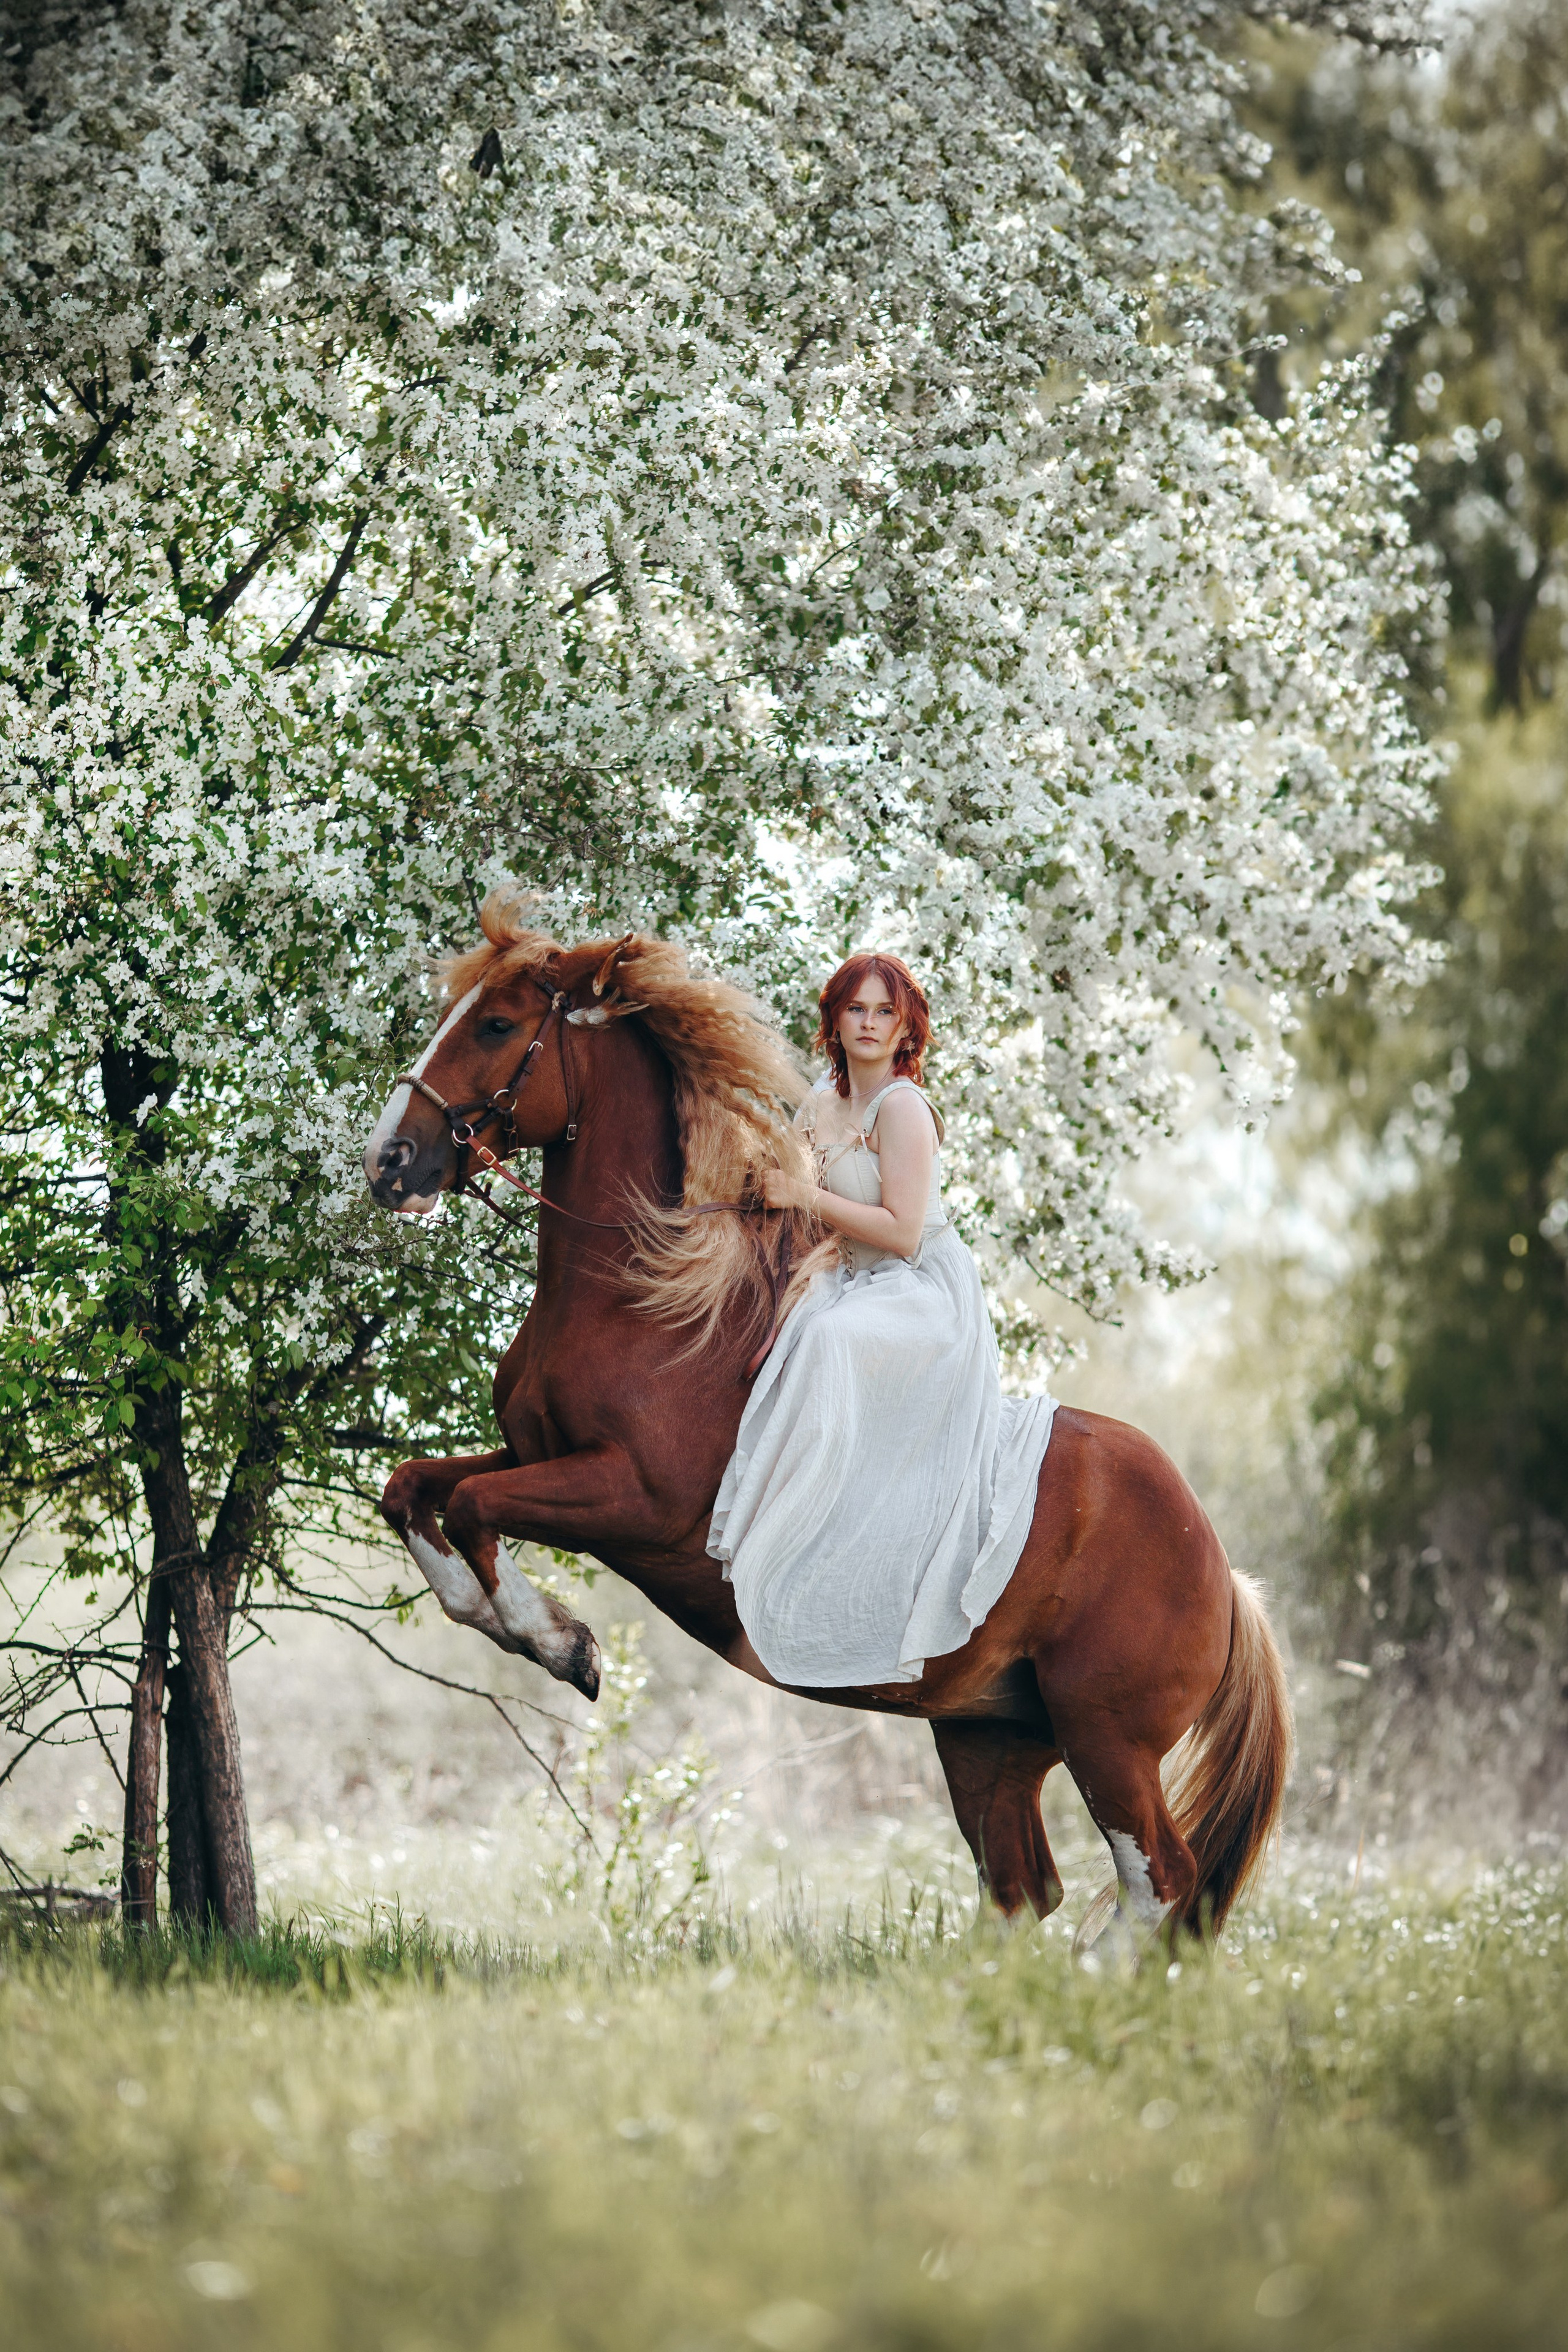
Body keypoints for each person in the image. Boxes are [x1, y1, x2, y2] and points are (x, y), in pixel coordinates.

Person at [707, 952, 1056, 1688]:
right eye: (855, 1009)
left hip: (919, 1289)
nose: (868, 1024)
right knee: (781, 1329)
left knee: (829, 1339)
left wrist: (799, 1194)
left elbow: (900, 1230)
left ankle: (827, 1533)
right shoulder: (817, 1107)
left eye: (883, 1013)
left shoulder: (901, 1108)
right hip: (851, 1276)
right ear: (834, 1020)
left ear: (905, 1030)